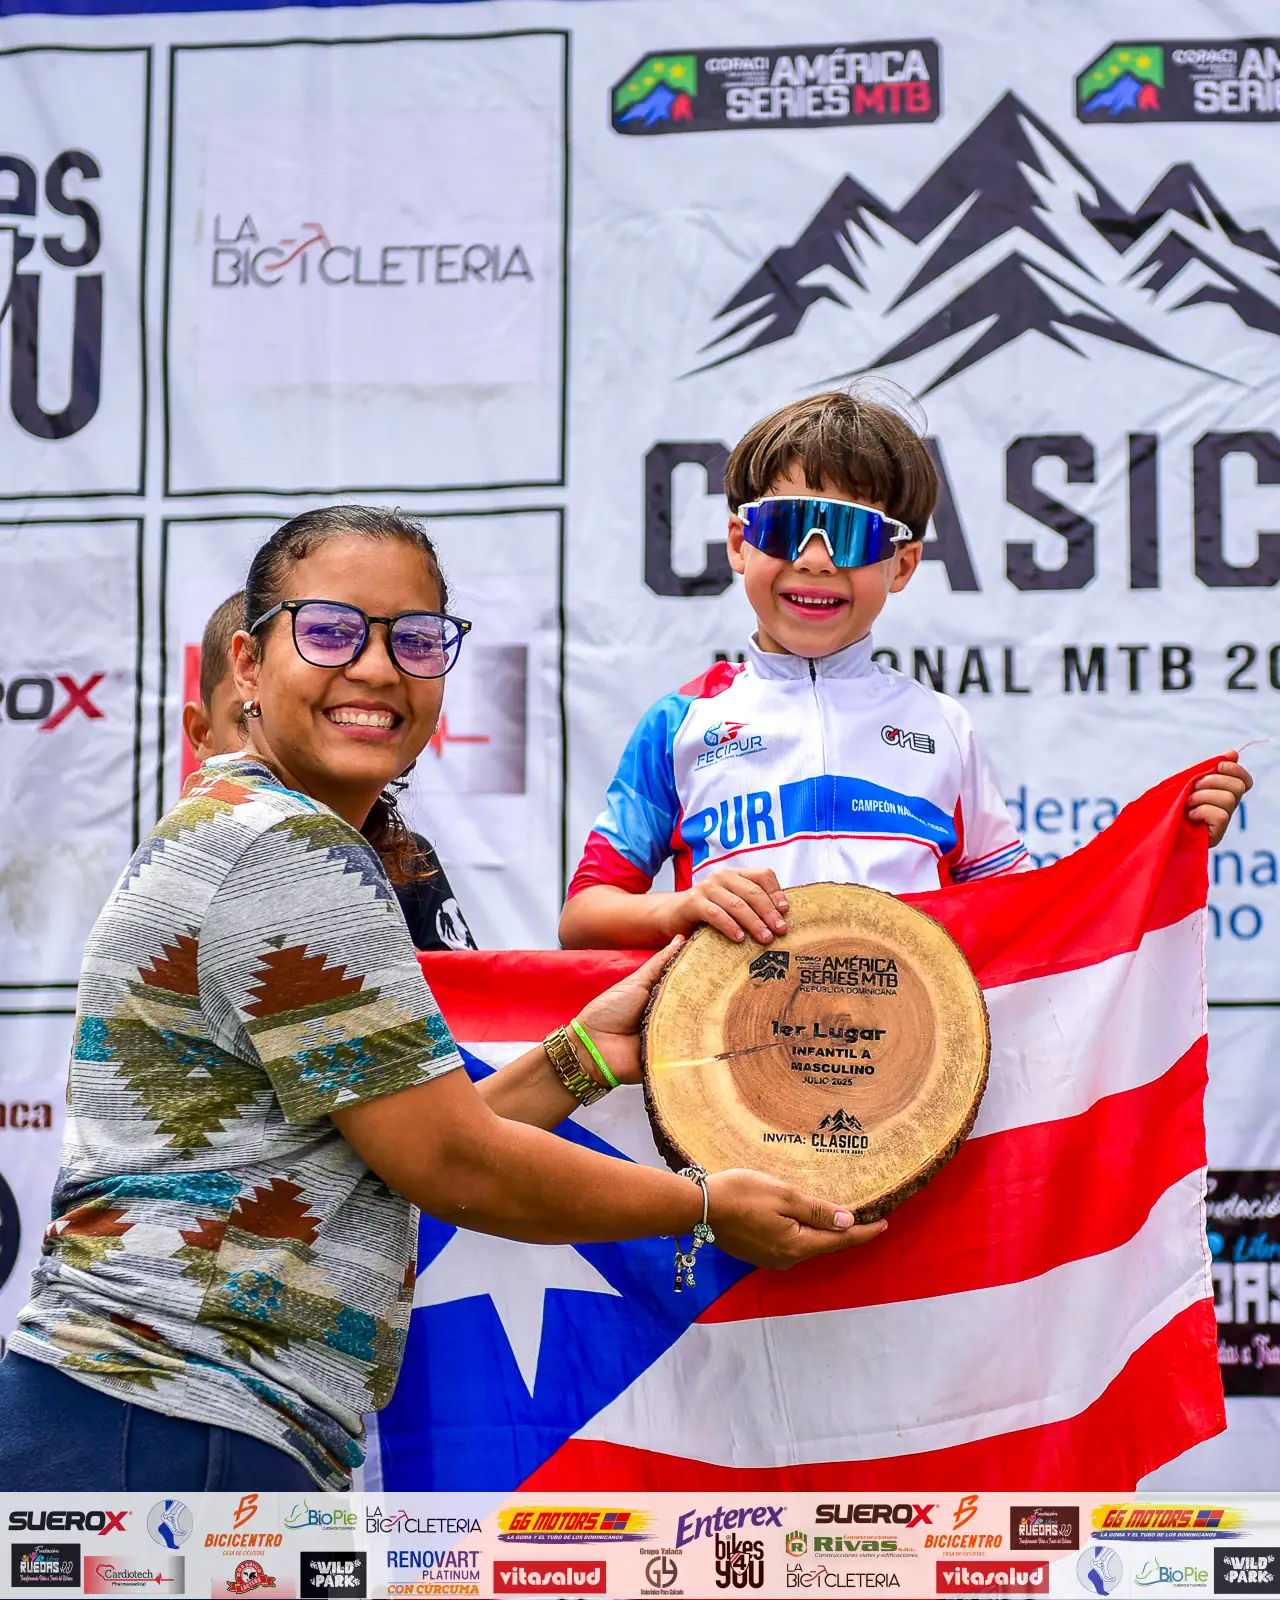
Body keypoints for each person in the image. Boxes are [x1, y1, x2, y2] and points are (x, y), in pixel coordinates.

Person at [0, 506, 883, 1495]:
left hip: (162, 1416)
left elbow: (397, 1154)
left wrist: (582, 1057)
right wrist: (707, 1205)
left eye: (414, 639)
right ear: (247, 664)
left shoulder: (257, 831)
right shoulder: (286, 850)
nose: (378, 669)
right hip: (165, 1416)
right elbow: (452, 1162)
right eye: (331, 631)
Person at [560, 390, 1252, 949]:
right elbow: (583, 917)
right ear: (741, 543)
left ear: (903, 565)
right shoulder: (680, 725)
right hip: (727, 1066)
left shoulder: (942, 726)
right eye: (787, 526)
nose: (816, 559)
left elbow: (1028, 916)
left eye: (853, 534)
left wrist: (1168, 844)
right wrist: (681, 908)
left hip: (910, 1069)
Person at [186, 589, 476, 953]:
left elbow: (457, 984)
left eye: (416, 642)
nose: (376, 671)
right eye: (246, 718)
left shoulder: (407, 862)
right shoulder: (194, 859)